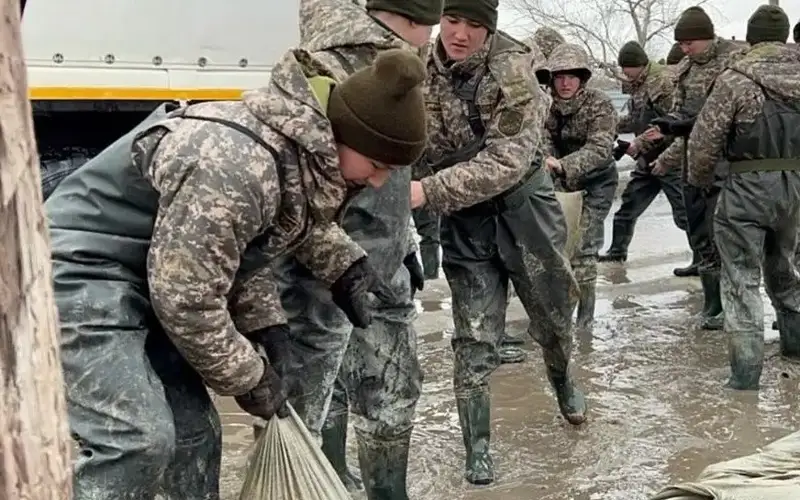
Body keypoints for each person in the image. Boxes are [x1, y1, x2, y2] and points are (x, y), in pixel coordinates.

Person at [46, 47, 427, 500]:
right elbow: (187, 301)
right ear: (343, 135)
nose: (380, 181)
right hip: (80, 270)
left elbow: (246, 244)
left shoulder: (296, 149)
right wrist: (249, 376)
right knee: (135, 441)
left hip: (148, 273)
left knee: (195, 438)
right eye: (378, 165)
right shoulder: (234, 165)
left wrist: (328, 274)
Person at [266, 0, 441, 497]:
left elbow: (392, 175)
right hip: (322, 278)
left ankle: (362, 489)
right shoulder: (338, 67)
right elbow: (296, 200)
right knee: (320, 404)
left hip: (376, 267)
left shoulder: (388, 60)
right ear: (417, 19)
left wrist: (403, 236)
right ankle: (326, 486)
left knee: (374, 391)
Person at [412, 0, 587, 485]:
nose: (460, 34)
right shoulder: (418, 66)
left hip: (523, 210)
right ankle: (479, 447)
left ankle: (563, 380)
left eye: (474, 24)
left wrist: (426, 191)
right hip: (466, 220)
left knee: (552, 317)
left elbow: (505, 162)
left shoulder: (514, 72)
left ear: (490, 29)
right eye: (452, 20)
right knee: (472, 338)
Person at [686, 4, 800, 390]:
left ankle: (745, 378)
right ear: (784, 36)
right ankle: (795, 349)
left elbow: (704, 144)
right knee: (784, 269)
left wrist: (700, 183)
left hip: (747, 189)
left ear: (751, 37)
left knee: (741, 280)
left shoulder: (735, 79)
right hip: (796, 187)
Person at [645, 6, 745, 330]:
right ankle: (712, 306)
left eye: (690, 42)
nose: (685, 49)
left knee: (726, 237)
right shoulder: (685, 69)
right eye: (682, 43)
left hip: (727, 164)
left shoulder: (735, 60)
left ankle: (737, 307)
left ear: (707, 36)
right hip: (694, 162)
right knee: (700, 235)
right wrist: (667, 129)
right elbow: (678, 117)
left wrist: (689, 124)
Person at [539, 43, 619, 327]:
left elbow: (600, 148)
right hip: (559, 185)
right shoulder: (543, 106)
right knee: (557, 247)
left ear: (582, 78)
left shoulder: (599, 104)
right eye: (559, 76)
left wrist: (563, 164)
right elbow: (541, 142)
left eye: (572, 76)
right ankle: (558, 315)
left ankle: (585, 321)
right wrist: (548, 163)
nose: (565, 83)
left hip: (596, 182)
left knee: (584, 250)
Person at [599, 41, 686, 263]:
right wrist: (610, 124)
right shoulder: (639, 85)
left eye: (626, 67)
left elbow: (671, 124)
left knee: (685, 214)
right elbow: (637, 119)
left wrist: (638, 143)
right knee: (628, 206)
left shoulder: (661, 84)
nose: (624, 73)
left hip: (670, 161)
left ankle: (705, 258)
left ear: (637, 65)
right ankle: (617, 251)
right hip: (647, 161)